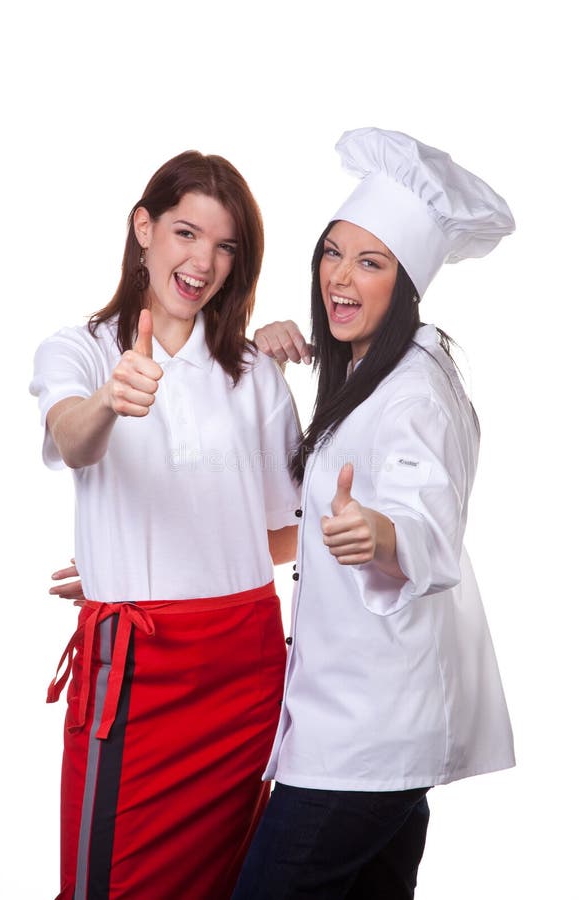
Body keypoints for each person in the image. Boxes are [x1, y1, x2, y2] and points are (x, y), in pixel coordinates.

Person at [231, 127, 516, 899]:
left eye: (371, 261)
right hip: (367, 732)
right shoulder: (368, 373)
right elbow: (297, 517)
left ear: (407, 284)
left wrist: (382, 533)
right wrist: (262, 355)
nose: (340, 277)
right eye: (332, 253)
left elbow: (428, 519)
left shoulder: (417, 392)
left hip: (362, 743)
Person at [30, 150, 301, 900]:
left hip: (245, 668)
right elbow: (73, 438)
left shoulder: (254, 373)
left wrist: (155, 549)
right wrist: (112, 401)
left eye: (224, 246)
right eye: (185, 233)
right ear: (143, 229)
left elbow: (288, 533)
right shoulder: (81, 351)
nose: (202, 261)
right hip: (140, 676)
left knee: (227, 879)